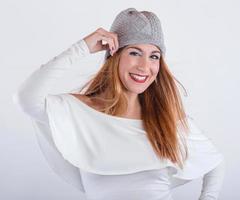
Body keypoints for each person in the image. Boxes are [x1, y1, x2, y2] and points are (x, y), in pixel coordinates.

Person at [12, 7, 225, 200]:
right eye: (134, 53)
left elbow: (215, 162)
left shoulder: (167, 120)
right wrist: (82, 47)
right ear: (114, 55)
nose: (145, 66)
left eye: (154, 56)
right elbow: (26, 99)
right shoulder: (81, 112)